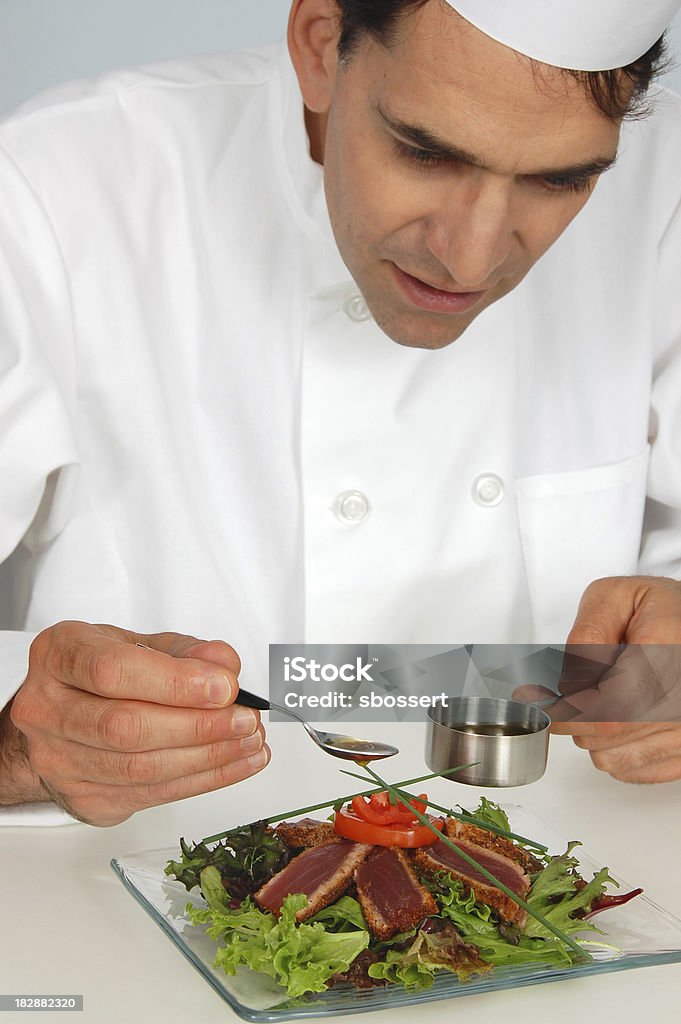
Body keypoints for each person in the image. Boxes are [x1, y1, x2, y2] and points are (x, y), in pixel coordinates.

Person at [1, 0, 681, 826]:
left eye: (558, 179)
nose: (470, 255)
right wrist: (20, 750)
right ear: (323, 46)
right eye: (425, 152)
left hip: (575, 891)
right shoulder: (52, 187)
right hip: (112, 898)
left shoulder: (666, 187)